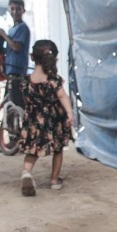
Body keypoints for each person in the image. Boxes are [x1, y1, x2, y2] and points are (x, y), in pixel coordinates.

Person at [17, 40, 74, 197]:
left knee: (32, 150)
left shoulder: (25, 81)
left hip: (33, 122)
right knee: (58, 149)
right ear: (54, 58)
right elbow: (62, 96)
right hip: (53, 122)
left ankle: (26, 173)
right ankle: (54, 180)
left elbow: (26, 100)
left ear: (32, 57)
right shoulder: (53, 80)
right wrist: (69, 113)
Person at [0, 0, 31, 108]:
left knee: (15, 107)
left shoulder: (22, 28)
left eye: (18, 9)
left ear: (23, 11)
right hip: (10, 72)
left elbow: (16, 47)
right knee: (8, 105)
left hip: (18, 73)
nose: (15, 12)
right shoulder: (12, 29)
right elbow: (9, 50)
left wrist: (4, 35)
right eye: (12, 9)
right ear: (9, 10)